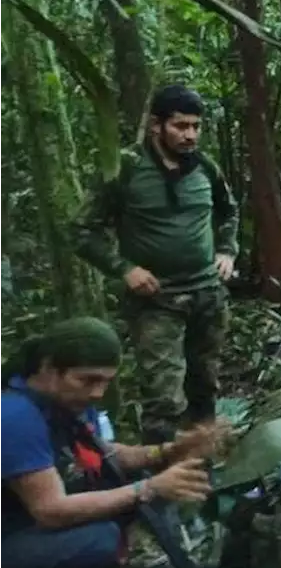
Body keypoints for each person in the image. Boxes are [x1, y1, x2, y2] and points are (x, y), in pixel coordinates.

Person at [0, 317, 219, 568]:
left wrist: (168, 450)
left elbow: (103, 454)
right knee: (99, 538)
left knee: (134, 484)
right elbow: (50, 510)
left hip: (29, 518)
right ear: (50, 369)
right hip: (13, 532)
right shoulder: (15, 416)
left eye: (105, 381)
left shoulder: (64, 400)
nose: (98, 393)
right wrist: (147, 488)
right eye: (88, 380)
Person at [73, 85, 240, 445]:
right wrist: (124, 269)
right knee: (164, 399)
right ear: (155, 126)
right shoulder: (125, 168)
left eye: (196, 126)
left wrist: (227, 250)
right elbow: (83, 231)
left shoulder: (205, 168)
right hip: (156, 300)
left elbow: (229, 211)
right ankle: (161, 484)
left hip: (207, 294)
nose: (190, 134)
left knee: (205, 385)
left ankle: (203, 466)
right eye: (180, 126)